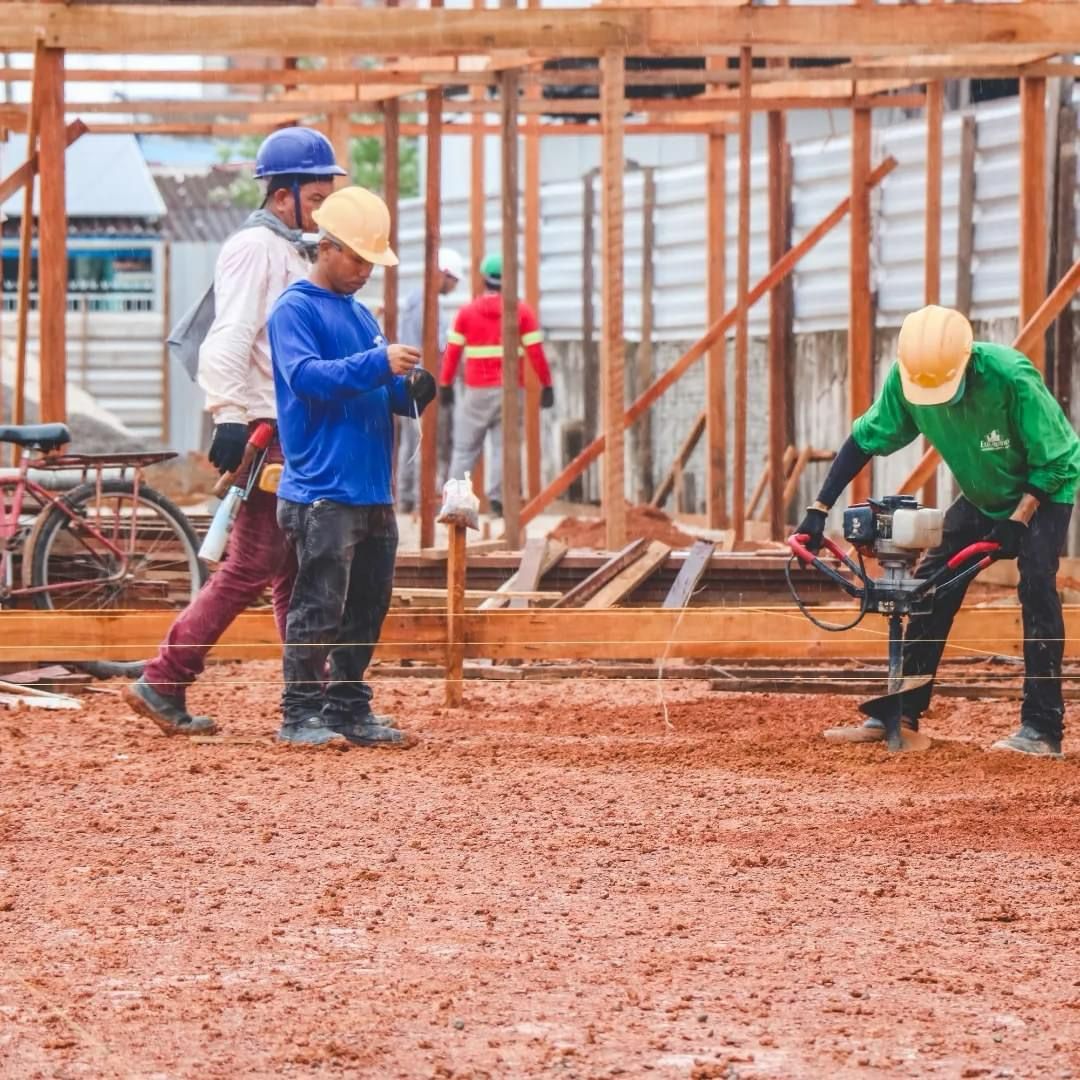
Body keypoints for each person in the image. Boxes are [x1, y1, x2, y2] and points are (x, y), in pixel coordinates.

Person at [123, 126, 346, 737]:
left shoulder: (292, 248)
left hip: (286, 427)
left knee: (288, 567)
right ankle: (165, 675)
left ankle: (313, 691)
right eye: (318, 198)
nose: (325, 211)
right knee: (253, 564)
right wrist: (227, 415)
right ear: (282, 196)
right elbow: (227, 338)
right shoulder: (257, 248)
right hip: (263, 426)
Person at [796, 305, 1080, 759]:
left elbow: (1061, 458)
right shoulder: (910, 381)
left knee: (1037, 587)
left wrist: (1018, 520)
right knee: (930, 587)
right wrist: (818, 509)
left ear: (966, 360)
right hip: (982, 492)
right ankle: (900, 711)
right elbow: (864, 440)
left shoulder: (1010, 377)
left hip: (1044, 489)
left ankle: (1042, 729)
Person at [267, 186, 436, 748]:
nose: (366, 271)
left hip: (369, 490)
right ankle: (300, 713)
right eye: (359, 258)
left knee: (367, 605)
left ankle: (346, 708)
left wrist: (412, 389)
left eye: (372, 261)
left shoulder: (361, 316)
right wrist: (376, 363)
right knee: (318, 603)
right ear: (328, 248)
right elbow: (308, 379)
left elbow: (384, 394)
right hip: (322, 490)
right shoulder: (294, 310)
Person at [438, 252, 554, 517]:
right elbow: (536, 351)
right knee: (505, 447)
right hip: (511, 392)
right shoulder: (521, 311)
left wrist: (445, 384)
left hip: (477, 390)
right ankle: (500, 501)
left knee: (465, 448)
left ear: (483, 279)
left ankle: (456, 504)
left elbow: (453, 352)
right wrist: (547, 385)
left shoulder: (467, 312)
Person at [396, 247, 464, 512]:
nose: (454, 287)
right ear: (443, 274)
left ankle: (410, 498)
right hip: (419, 381)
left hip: (411, 378)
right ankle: (418, 499)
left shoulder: (419, 299)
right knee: (422, 442)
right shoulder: (426, 304)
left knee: (413, 442)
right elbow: (437, 347)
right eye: (454, 281)